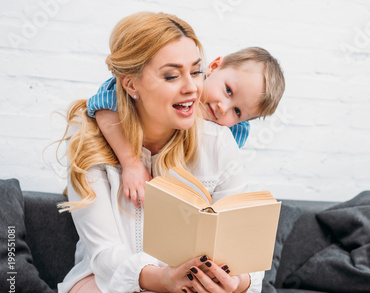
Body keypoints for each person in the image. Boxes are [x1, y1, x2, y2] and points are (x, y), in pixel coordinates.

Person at [55, 12, 264, 293]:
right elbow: (105, 257)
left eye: (196, 72)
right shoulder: (89, 139)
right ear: (131, 84)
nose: (192, 88)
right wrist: (165, 278)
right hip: (99, 284)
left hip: (186, 285)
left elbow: (248, 252)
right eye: (171, 76)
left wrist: (233, 280)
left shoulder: (218, 140)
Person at [88, 47, 285, 208]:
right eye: (228, 90)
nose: (223, 108)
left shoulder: (229, 134)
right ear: (214, 67)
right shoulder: (175, 87)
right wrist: (131, 163)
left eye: (238, 112)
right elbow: (103, 104)